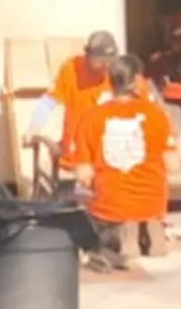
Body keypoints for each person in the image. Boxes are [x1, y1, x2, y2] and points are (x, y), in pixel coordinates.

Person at [71, 55, 175, 259]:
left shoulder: (91, 118)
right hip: (152, 201)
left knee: (95, 209)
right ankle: (151, 228)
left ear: (110, 81)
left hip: (111, 207)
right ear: (137, 80)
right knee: (149, 201)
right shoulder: (157, 114)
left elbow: (83, 174)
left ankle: (126, 231)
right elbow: (172, 163)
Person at [23, 31, 155, 175]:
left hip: (111, 162)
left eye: (109, 61)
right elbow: (48, 102)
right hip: (76, 159)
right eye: (100, 61)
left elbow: (149, 105)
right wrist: (34, 127)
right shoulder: (72, 69)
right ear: (88, 56)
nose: (106, 66)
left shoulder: (120, 73)